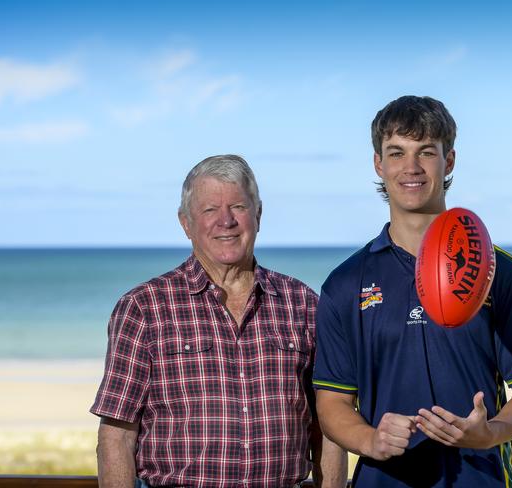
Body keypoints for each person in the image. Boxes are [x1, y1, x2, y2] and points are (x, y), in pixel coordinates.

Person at [313, 96, 512, 487]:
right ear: (379, 164)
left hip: (480, 479)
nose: (411, 168)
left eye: (426, 152)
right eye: (397, 153)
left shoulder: (501, 271)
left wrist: (490, 432)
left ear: (450, 161)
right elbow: (333, 403)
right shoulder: (345, 283)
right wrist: (371, 440)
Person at [91, 155, 347, 488]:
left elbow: (328, 425)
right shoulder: (144, 307)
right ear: (186, 223)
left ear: (258, 215)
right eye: (210, 210)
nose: (225, 221)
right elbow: (117, 435)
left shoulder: (303, 303)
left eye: (238, 207)